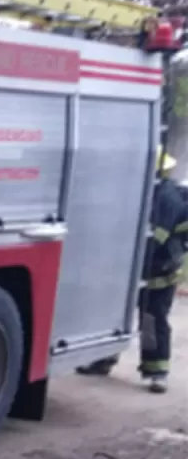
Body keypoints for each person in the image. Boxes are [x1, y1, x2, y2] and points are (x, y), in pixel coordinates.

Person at [77, 147, 188, 393]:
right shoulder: (143, 190)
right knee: (113, 317)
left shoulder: (166, 198)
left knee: (151, 320)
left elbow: (155, 238)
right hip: (133, 268)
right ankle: (103, 359)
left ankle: (157, 372)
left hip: (157, 271)